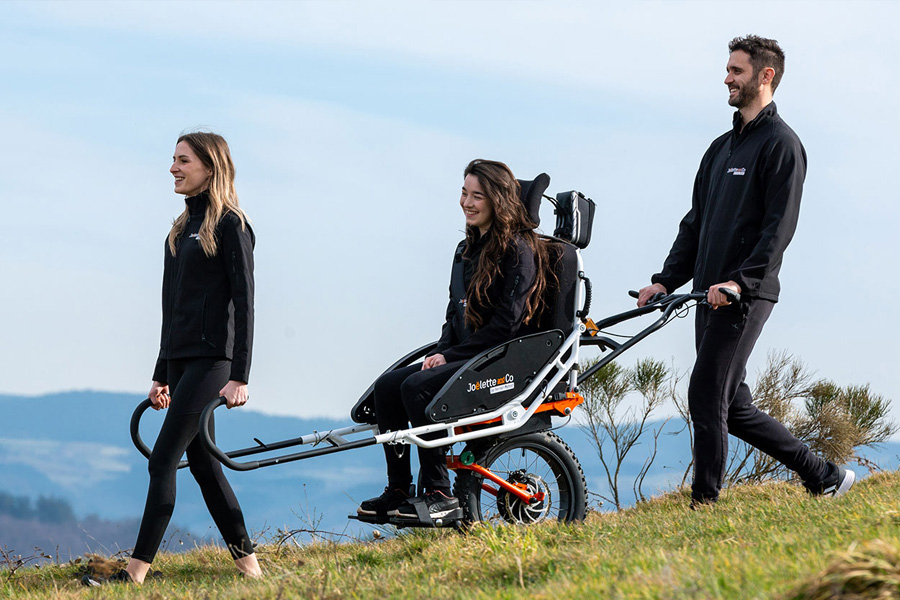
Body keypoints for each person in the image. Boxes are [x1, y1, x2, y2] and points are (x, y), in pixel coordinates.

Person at [637, 35, 855, 507]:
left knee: (705, 394)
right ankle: (823, 475)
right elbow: (696, 221)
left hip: (743, 296)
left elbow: (779, 229)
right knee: (732, 406)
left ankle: (705, 504)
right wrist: (665, 280)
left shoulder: (782, 145)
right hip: (705, 293)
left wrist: (741, 282)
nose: (727, 78)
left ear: (765, 75)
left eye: (736, 71)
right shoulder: (719, 149)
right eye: (728, 69)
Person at [85, 132, 262, 585]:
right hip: (182, 362)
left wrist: (239, 374)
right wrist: (161, 374)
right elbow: (171, 306)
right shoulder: (180, 230)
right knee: (204, 466)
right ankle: (252, 572)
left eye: (183, 160)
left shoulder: (231, 225)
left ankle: (135, 574)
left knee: (162, 460)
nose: (173, 168)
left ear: (209, 167)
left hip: (213, 363)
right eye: (173, 159)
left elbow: (245, 303)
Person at [357, 159, 552, 523]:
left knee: (417, 388)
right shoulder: (466, 250)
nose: (467, 202)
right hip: (465, 355)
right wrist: (441, 350)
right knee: (387, 387)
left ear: (497, 200)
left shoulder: (519, 251)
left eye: (477, 196)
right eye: (464, 193)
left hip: (499, 358)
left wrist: (452, 356)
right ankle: (399, 489)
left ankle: (439, 493)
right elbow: (455, 313)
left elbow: (507, 324)